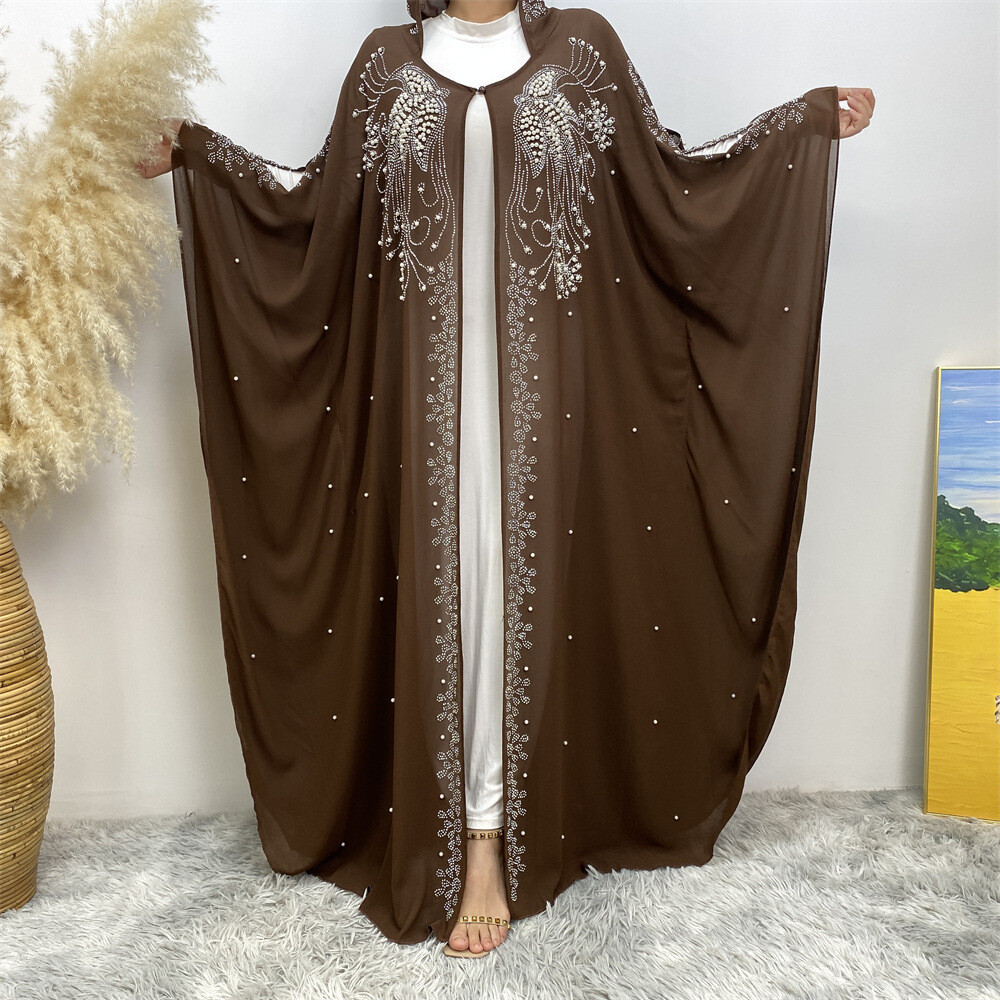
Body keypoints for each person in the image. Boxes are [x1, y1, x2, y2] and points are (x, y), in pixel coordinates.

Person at [139, 0, 873, 960]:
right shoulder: (385, 67)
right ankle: (460, 836)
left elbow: (672, 184)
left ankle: (492, 842)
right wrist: (200, 157)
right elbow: (313, 206)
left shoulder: (584, 50)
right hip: (421, 415)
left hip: (548, 417)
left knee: (515, 600)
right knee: (450, 597)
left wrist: (798, 128)